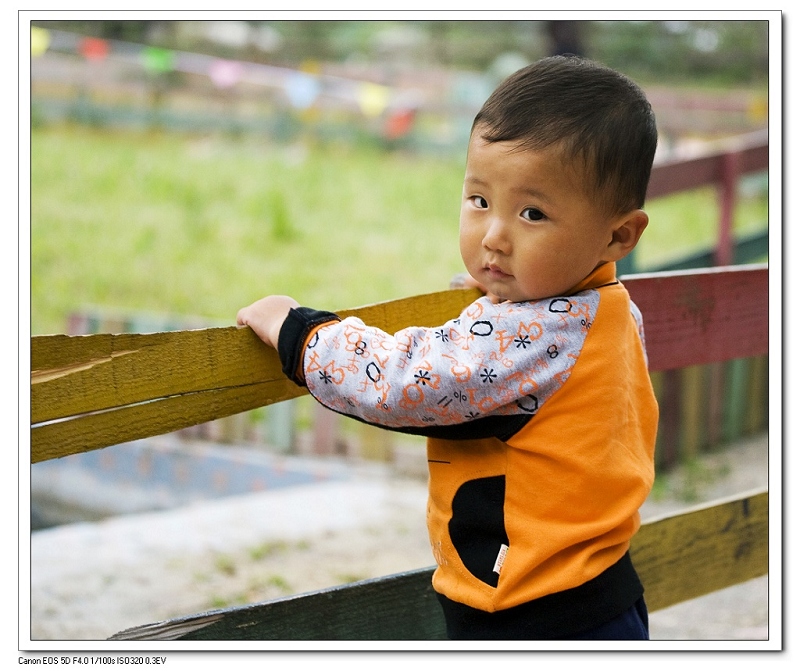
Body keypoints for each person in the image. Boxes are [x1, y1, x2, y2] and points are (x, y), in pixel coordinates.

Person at [237, 55, 659, 640]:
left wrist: (301, 332)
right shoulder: (606, 305)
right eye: (479, 200)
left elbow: (402, 384)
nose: (493, 235)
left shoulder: (535, 335)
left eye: (532, 214)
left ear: (618, 235)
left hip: (531, 616)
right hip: (598, 593)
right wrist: (501, 297)